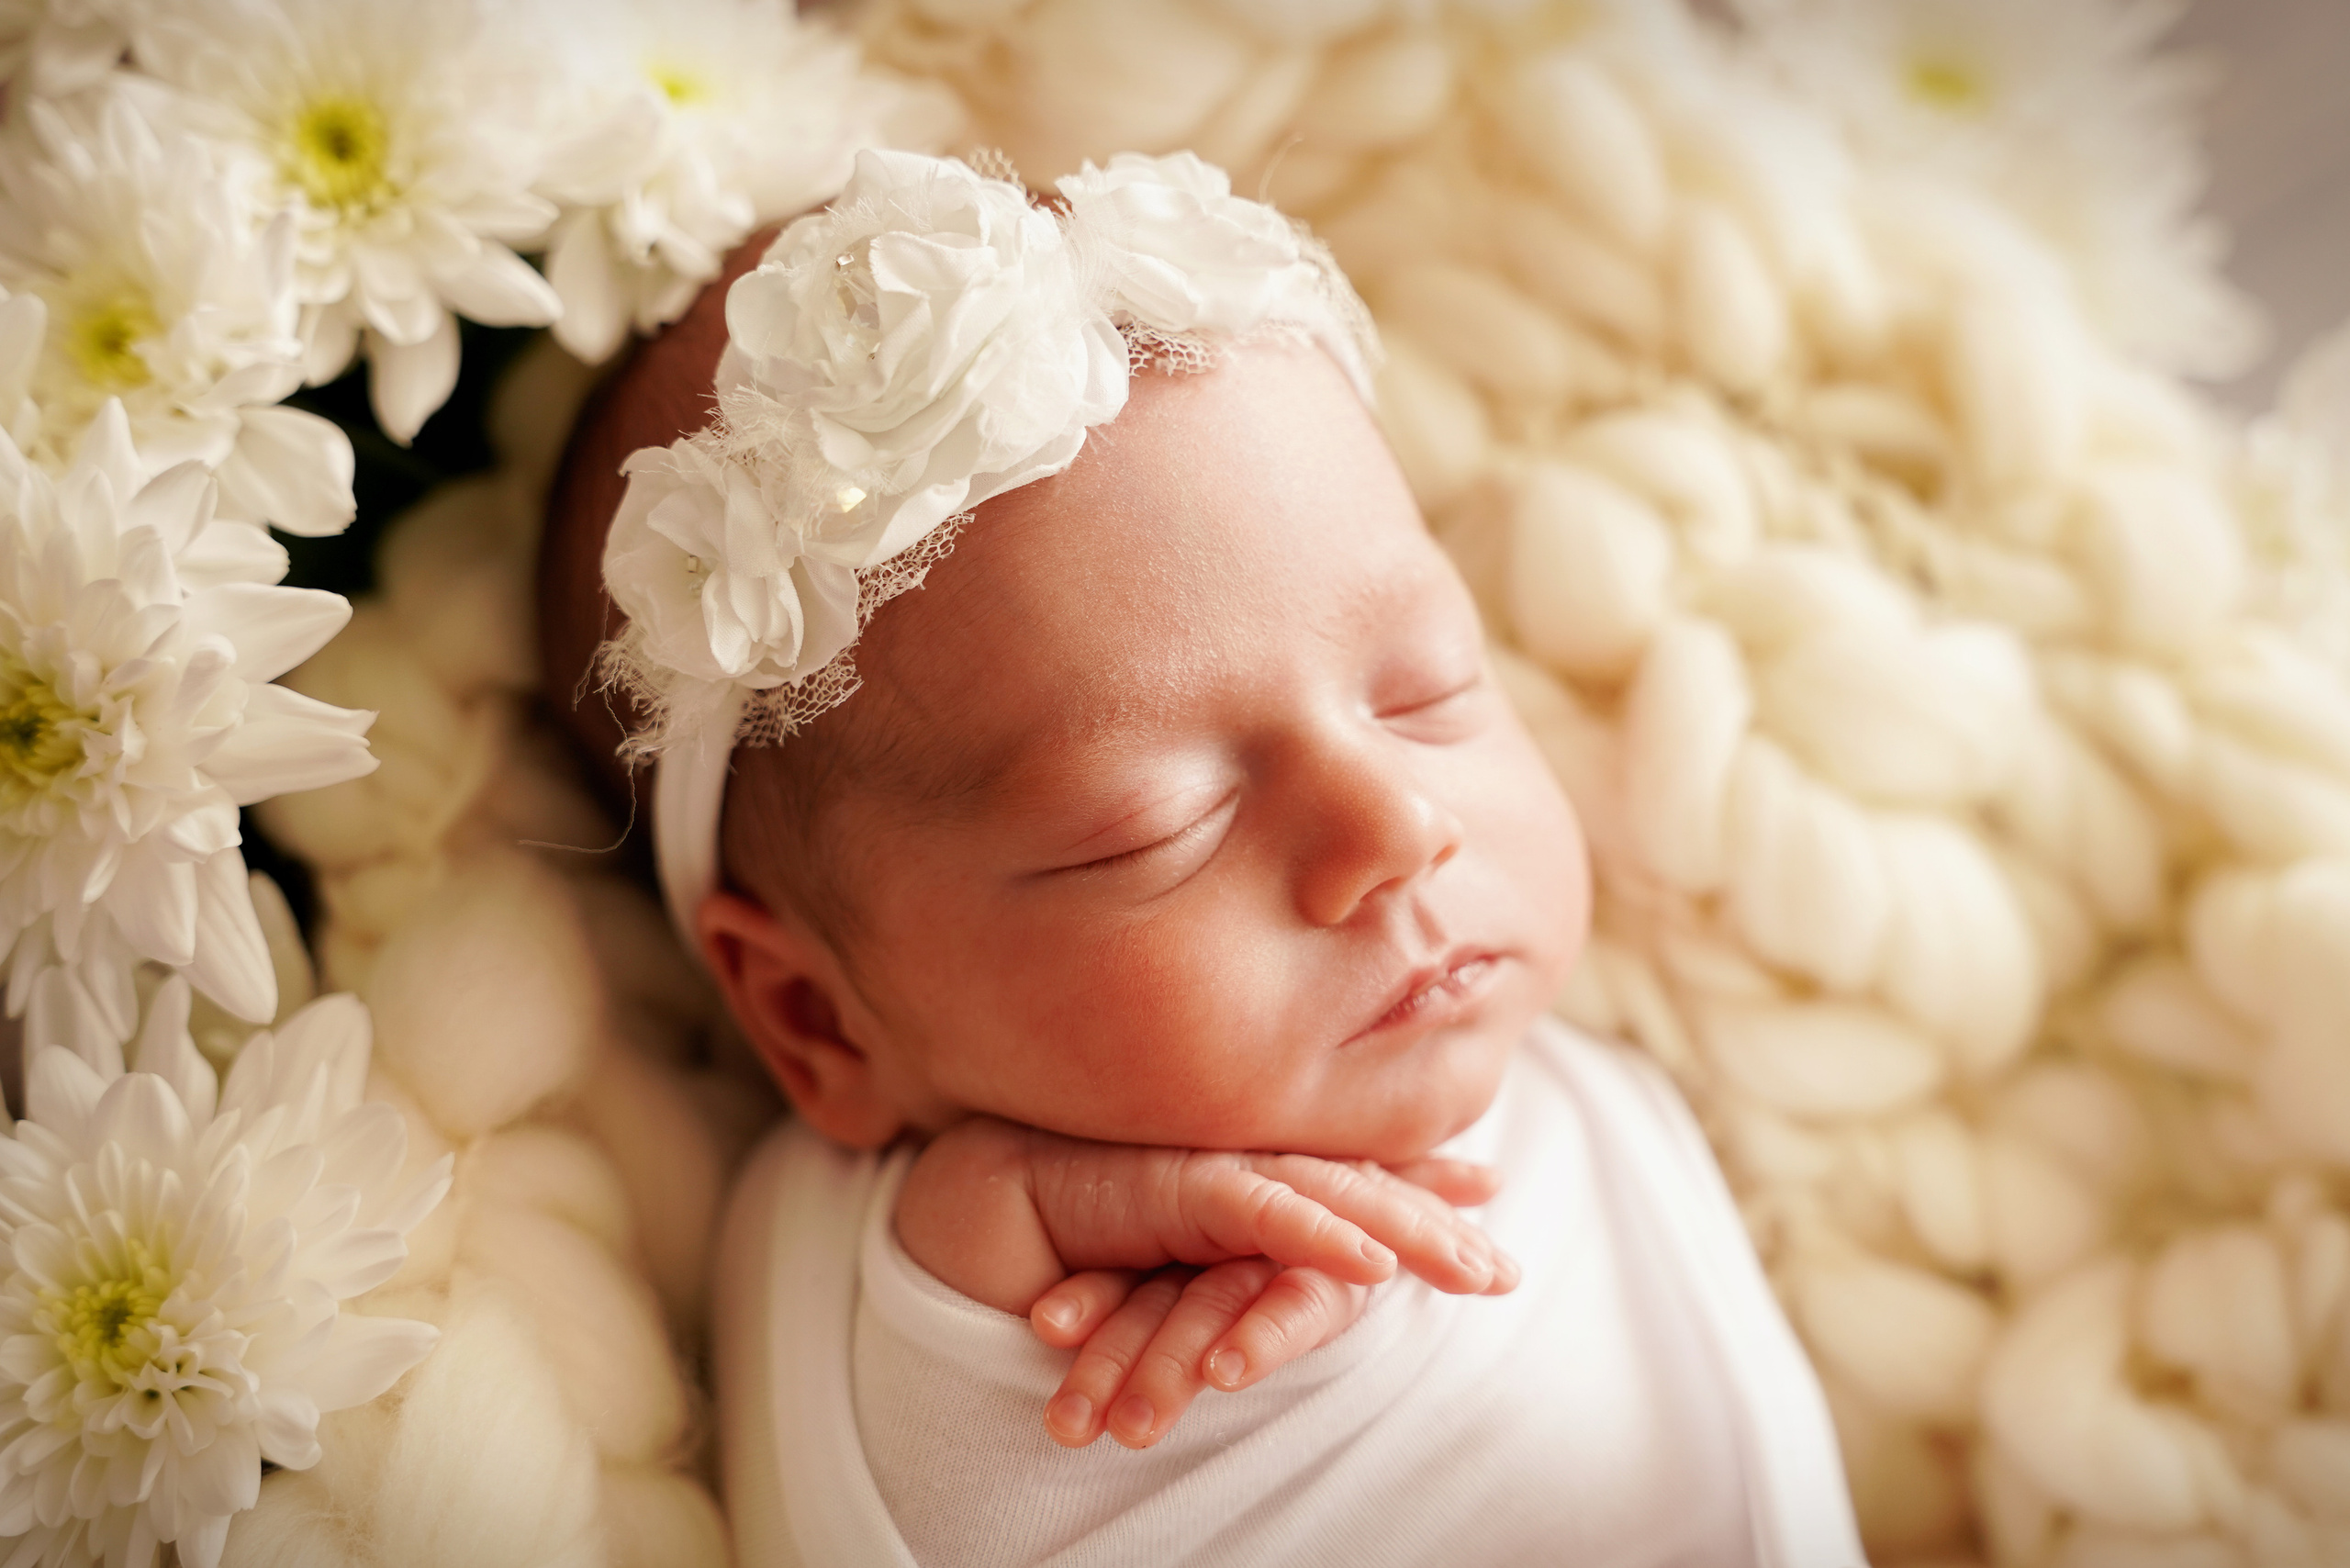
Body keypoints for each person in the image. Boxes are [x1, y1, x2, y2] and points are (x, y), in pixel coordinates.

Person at [541, 147, 1863, 1567]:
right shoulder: (943, 1291)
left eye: (1426, 688)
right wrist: (991, 1235)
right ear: (817, 1019)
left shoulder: (1565, 1062)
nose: (1400, 828)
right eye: (1159, 823)